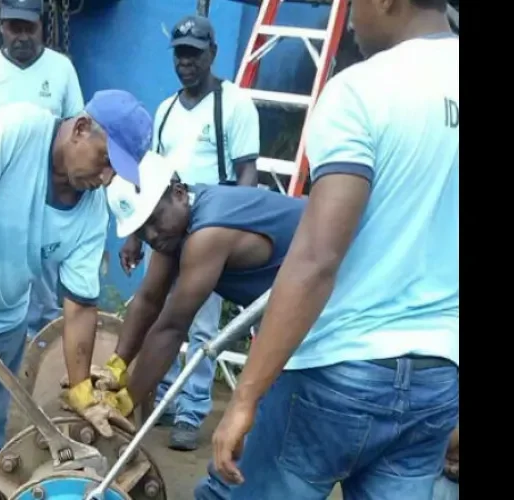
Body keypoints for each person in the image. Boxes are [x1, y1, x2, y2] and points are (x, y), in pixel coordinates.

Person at [204, 1, 459, 499]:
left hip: (339, 370)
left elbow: (317, 259)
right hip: (436, 378)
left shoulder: (363, 89)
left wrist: (245, 397)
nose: (350, 18)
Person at [0, 89, 153, 491]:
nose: (106, 178)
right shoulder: (20, 128)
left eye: (116, 172)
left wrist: (82, 390)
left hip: (5, 318)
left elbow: (80, 306)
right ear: (82, 129)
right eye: (105, 160)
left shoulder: (91, 211)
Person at [83, 147, 304, 439]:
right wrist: (116, 368)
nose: (150, 236)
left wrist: (123, 402)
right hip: (291, 305)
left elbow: (172, 328)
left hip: (333, 296)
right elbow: (149, 300)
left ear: (177, 192)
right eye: (141, 230)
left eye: (153, 220)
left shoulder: (207, 233)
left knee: (275, 432)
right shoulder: (174, 229)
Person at [117, 13, 261, 451]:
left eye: (195, 55)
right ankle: (160, 397)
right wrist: (135, 235)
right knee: (159, 314)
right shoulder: (164, 110)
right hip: (166, 228)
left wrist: (234, 229)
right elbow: (149, 179)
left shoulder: (234, 105)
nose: (186, 63)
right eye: (180, 54)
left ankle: (191, 410)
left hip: (212, 230)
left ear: (212, 54)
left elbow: (246, 174)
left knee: (200, 328)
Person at [0, 0, 87, 338]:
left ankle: (36, 378)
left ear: (42, 26)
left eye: (29, 28)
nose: (21, 36)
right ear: (2, 26)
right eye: (13, 27)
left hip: (47, 201)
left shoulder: (61, 69)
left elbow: (78, 128)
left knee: (45, 299)